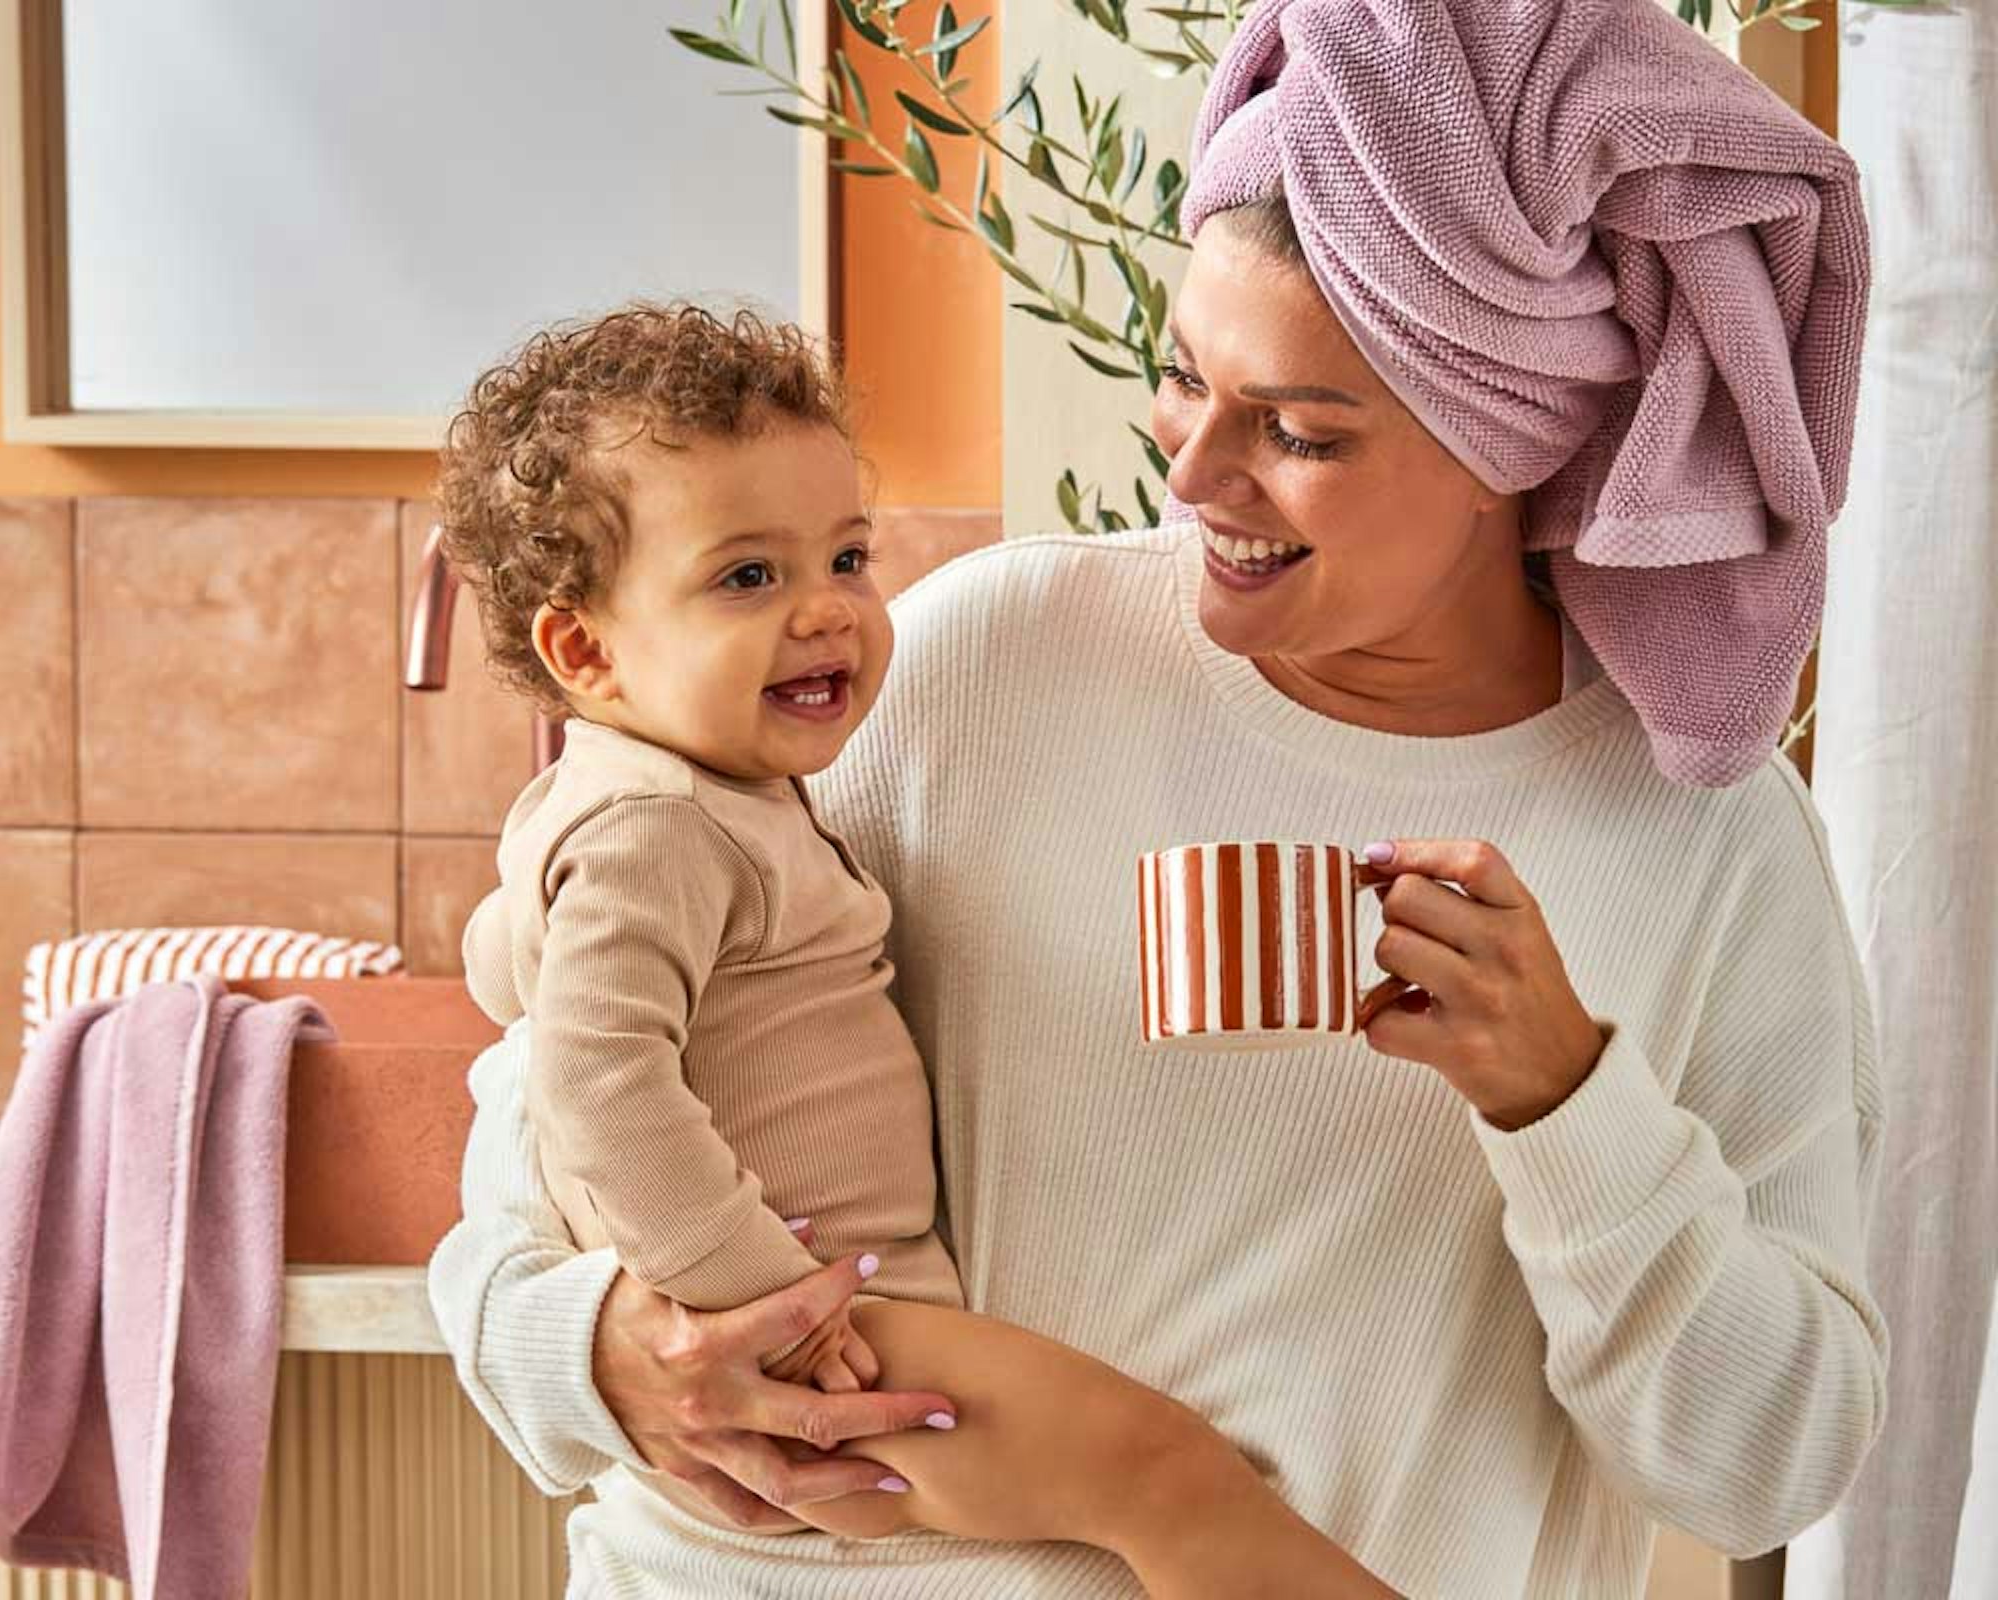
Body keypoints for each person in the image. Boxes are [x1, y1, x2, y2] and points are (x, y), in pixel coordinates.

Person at [429, 2, 1889, 1594]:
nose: (1192, 475)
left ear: (1509, 448)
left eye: (1301, 433)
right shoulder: (977, 664)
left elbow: (1769, 1470)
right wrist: (597, 1358)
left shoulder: (1700, 844)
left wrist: (1570, 1101)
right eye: (1186, 380)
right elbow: (548, 1129)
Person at [436, 299, 1399, 1598]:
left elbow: (513, 975)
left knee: (1163, 1489)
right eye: (747, 577)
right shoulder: (657, 831)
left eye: (843, 559)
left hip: (827, 1328)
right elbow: (597, 1080)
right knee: (1166, 1479)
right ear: (584, 650)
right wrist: (773, 1304)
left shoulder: (670, 797)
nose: (828, 612)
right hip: (826, 1340)